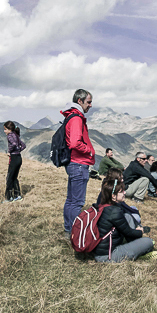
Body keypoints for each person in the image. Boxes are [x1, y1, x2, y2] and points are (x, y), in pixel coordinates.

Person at [87, 177, 157, 262]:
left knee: (127, 216)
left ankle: (136, 248)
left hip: (102, 250)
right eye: (121, 192)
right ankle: (139, 252)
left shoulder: (104, 206)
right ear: (113, 196)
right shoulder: (114, 212)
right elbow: (129, 232)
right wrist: (140, 231)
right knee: (149, 242)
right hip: (107, 256)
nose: (124, 192)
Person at [62, 89, 95, 234]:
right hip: (79, 164)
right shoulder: (76, 118)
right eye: (88, 102)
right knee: (77, 202)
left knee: (71, 200)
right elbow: (75, 143)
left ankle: (69, 229)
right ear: (79, 101)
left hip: (74, 163)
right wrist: (89, 150)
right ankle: (75, 234)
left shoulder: (72, 116)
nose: (91, 105)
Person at [3, 121, 26, 202]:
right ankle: (17, 196)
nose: (4, 131)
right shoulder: (16, 135)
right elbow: (23, 145)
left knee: (9, 178)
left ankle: (9, 198)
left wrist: (9, 151)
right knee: (14, 178)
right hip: (19, 158)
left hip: (13, 158)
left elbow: (13, 144)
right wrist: (18, 150)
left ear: (9, 129)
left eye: (5, 129)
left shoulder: (10, 136)